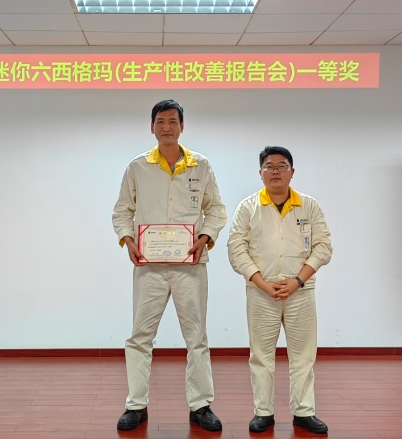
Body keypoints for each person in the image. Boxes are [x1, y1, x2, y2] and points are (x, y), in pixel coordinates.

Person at [112, 99, 227, 431]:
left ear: (182, 126)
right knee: (140, 336)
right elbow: (122, 210)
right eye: (160, 121)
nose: (166, 127)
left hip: (190, 264)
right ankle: (136, 405)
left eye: (173, 121)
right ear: (152, 127)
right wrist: (128, 240)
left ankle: (200, 405)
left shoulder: (201, 166)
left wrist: (205, 237)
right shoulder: (138, 167)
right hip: (149, 266)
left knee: (196, 336)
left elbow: (216, 209)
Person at [227, 146, 332, 434]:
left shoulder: (309, 206)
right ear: (260, 172)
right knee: (261, 355)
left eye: (281, 166)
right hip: (261, 292)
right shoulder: (248, 207)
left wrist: (298, 281)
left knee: (303, 355)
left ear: (292, 172)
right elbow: (236, 249)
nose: (275, 171)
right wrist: (262, 283)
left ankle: (304, 412)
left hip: (301, 291)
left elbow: (323, 247)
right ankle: (263, 412)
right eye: (269, 166)